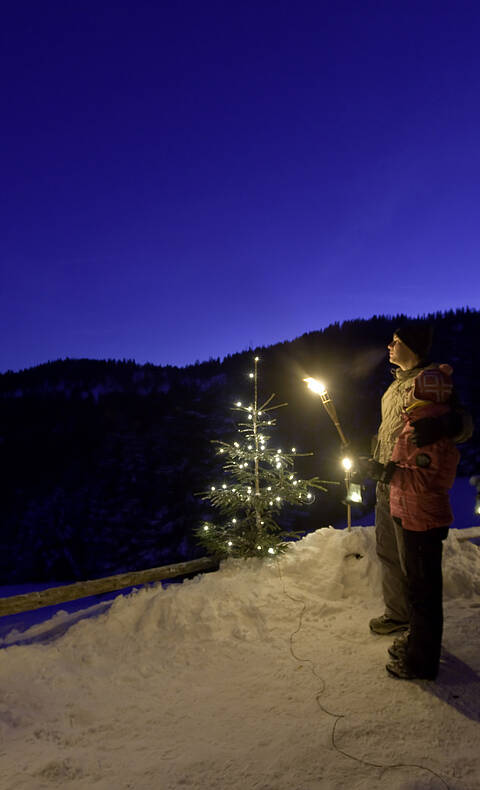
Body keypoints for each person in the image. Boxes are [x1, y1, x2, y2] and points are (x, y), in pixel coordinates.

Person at [365, 323, 472, 637]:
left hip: (411, 483)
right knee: (387, 551)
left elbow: (464, 424)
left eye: (396, 341)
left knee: (411, 558)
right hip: (385, 480)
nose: (389, 345)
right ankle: (398, 614)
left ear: (412, 346)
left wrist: (446, 426)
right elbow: (389, 433)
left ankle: (419, 628)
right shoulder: (392, 387)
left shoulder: (432, 381)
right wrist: (369, 455)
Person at [364, 365, 459, 679]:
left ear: (421, 395)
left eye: (412, 393)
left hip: (422, 518)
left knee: (423, 593)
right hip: (411, 514)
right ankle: (417, 641)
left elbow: (424, 481)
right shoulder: (415, 423)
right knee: (419, 588)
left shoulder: (427, 428)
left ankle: (421, 662)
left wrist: (388, 474)